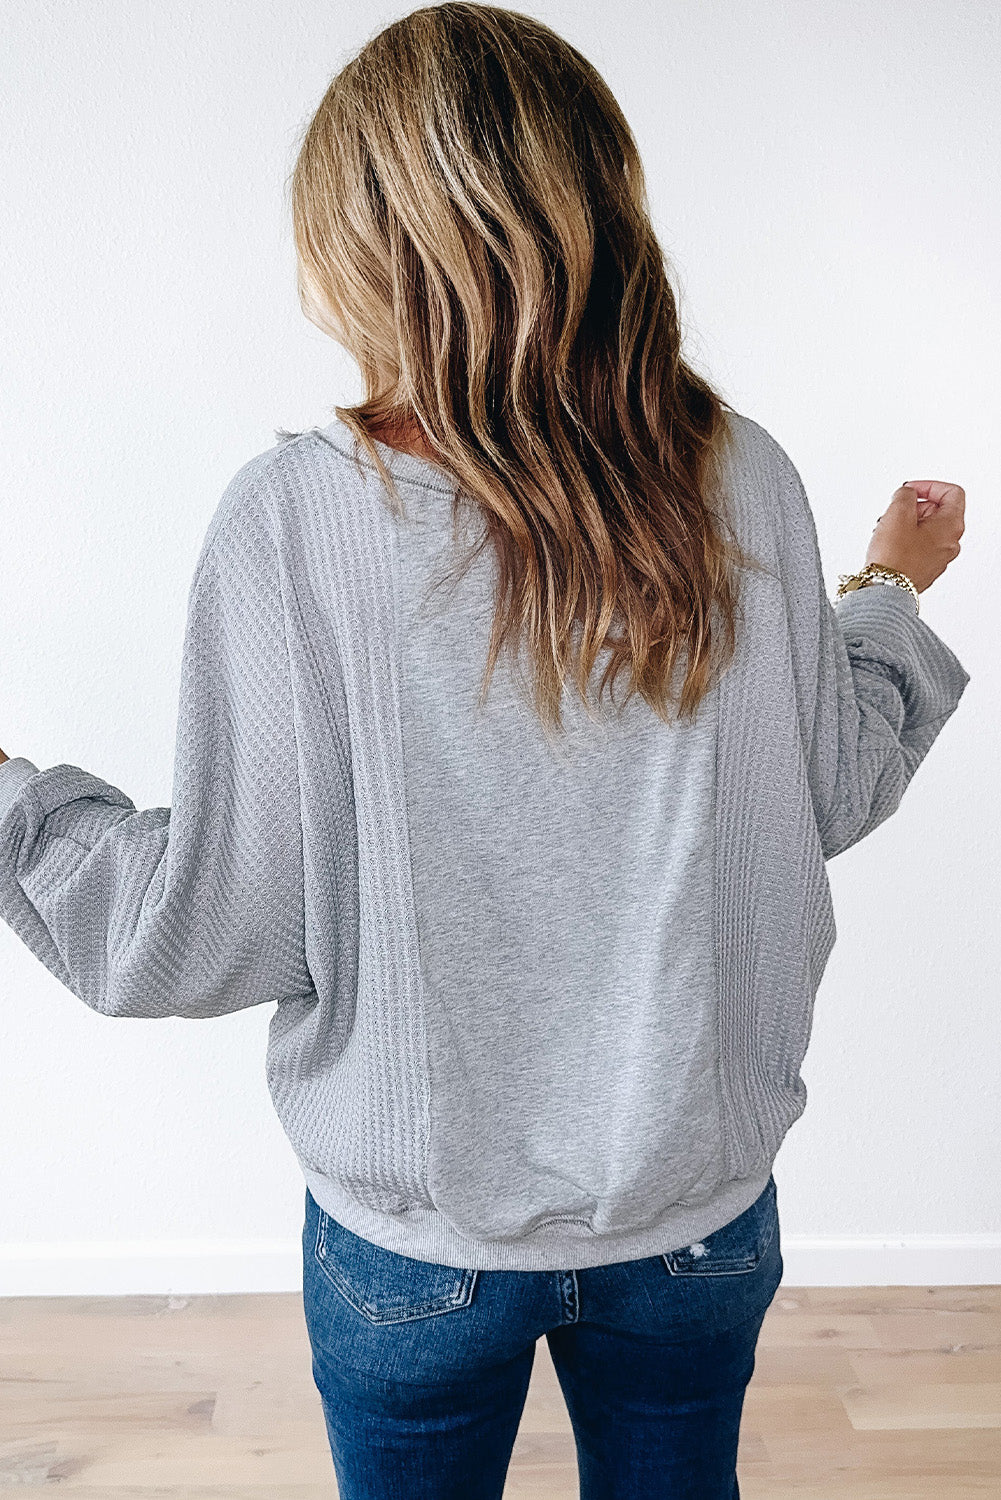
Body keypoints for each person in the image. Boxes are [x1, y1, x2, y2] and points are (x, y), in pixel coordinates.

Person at [0, 4, 969, 1497]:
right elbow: (827, 786)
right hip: (694, 1222)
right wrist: (887, 590)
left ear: (360, 246)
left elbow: (195, 925)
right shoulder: (740, 477)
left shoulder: (295, 523)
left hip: (416, 1249)